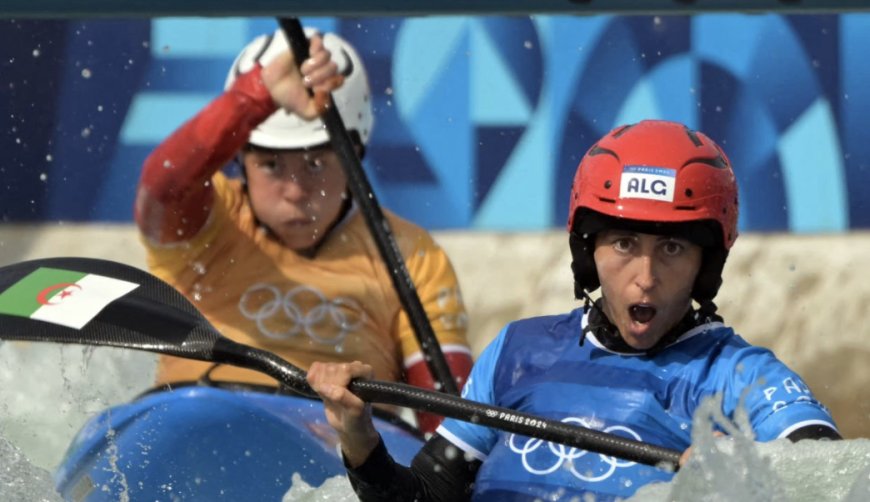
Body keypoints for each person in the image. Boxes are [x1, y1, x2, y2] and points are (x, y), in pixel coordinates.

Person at [306, 120, 841, 500]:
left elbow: (836, 477)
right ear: (587, 252)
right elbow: (420, 500)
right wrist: (360, 438)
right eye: (624, 244)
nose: (646, 276)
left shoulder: (741, 376)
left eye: (673, 249)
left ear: (708, 263)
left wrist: (745, 483)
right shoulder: (517, 351)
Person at [134, 28, 473, 433]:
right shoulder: (208, 218)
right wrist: (256, 95)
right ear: (240, 158)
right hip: (193, 432)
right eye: (271, 165)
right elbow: (161, 187)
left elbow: (450, 433)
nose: (295, 191)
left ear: (354, 155)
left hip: (335, 461)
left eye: (316, 165)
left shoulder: (414, 255)